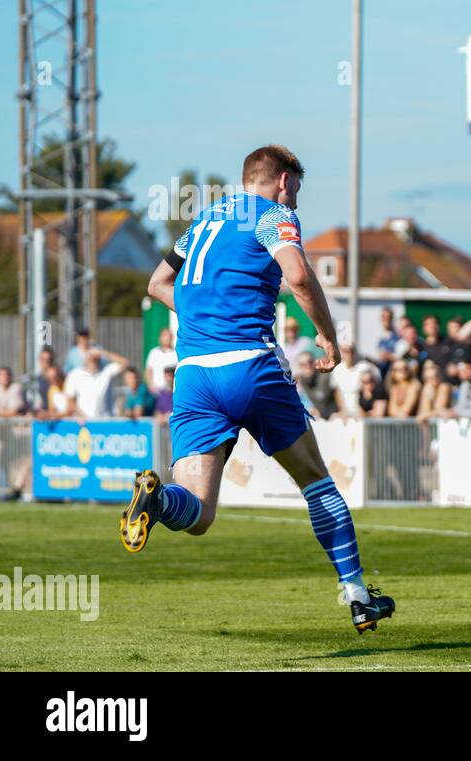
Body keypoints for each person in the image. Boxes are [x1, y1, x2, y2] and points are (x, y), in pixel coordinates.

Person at [127, 144, 393, 632]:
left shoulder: (204, 220)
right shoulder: (272, 216)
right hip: (250, 365)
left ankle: (156, 500)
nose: (295, 202)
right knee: (316, 479)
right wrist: (329, 338)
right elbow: (298, 277)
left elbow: (158, 283)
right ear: (284, 182)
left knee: (199, 512)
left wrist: (204, 317)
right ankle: (357, 596)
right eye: (297, 192)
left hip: (194, 374)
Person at [63, 348, 130, 419]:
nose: (93, 361)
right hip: (84, 422)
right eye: (90, 358)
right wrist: (80, 415)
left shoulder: (106, 371)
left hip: (105, 421)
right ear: (85, 359)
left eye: (95, 359)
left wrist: (103, 353)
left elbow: (125, 363)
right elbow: (70, 400)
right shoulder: (75, 374)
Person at [331, 342, 381, 419]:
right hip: (346, 413)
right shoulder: (337, 370)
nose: (349, 353)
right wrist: (343, 410)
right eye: (345, 351)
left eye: (351, 350)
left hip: (363, 412)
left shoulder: (366, 366)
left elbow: (378, 385)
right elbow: (337, 392)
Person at [294, 352, 337, 420]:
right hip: (321, 420)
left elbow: (338, 390)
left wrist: (342, 410)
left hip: (336, 418)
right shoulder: (302, 380)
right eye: (303, 364)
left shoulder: (325, 376)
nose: (308, 366)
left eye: (310, 362)